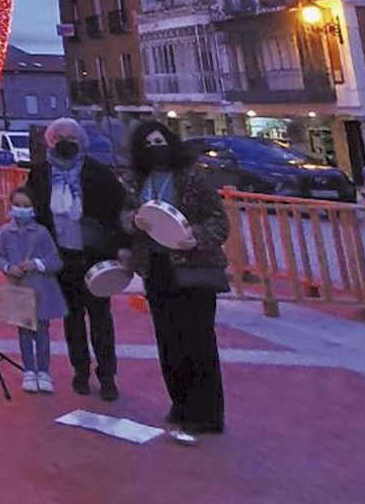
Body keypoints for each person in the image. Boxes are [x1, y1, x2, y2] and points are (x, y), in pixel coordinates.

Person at [124, 121, 230, 441]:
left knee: (197, 341)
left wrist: (195, 237)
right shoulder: (136, 181)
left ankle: (208, 412)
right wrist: (133, 221)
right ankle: (181, 403)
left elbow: (218, 220)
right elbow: (125, 215)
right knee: (168, 339)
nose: (155, 148)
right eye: (149, 143)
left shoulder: (192, 177)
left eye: (160, 141)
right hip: (157, 268)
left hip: (192, 269)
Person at [26, 116, 128, 400]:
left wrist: (120, 245)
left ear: (81, 142)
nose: (65, 143)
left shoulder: (99, 174)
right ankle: (80, 371)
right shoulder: (41, 174)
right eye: (59, 139)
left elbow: (117, 212)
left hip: (94, 258)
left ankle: (107, 375)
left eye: (71, 138)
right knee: (72, 319)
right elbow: (33, 210)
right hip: (62, 258)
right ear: (50, 142)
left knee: (101, 318)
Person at [0, 186, 69, 394]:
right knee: (24, 332)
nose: (21, 209)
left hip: (41, 290)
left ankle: (44, 371)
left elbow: (55, 261)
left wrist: (36, 263)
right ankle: (29, 370)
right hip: (19, 290)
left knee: (42, 332)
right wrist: (9, 267)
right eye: (17, 205)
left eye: (26, 206)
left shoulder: (42, 233)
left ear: (34, 209)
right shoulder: (6, 233)